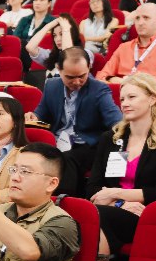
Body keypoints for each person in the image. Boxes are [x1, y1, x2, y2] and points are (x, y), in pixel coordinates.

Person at [87, 73, 156, 255]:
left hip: (146, 213)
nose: (124, 103)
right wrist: (120, 204)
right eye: (122, 98)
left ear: (152, 99)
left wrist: (115, 194)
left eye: (132, 97)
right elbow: (93, 187)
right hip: (112, 208)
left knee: (96, 216)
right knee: (90, 214)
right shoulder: (110, 138)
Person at [27, 48, 122, 195]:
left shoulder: (99, 89)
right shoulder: (52, 85)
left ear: (89, 68)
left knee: (67, 158)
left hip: (88, 144)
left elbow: (116, 120)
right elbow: (41, 113)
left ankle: (64, 199)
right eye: (70, 77)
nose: (77, 82)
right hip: (57, 140)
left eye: (82, 76)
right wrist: (33, 116)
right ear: (59, 69)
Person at [97, 4, 156, 89]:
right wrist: (111, 79)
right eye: (137, 18)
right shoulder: (124, 47)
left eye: (146, 18)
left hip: (153, 90)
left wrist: (142, 82)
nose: (140, 22)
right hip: (122, 89)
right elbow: (102, 75)